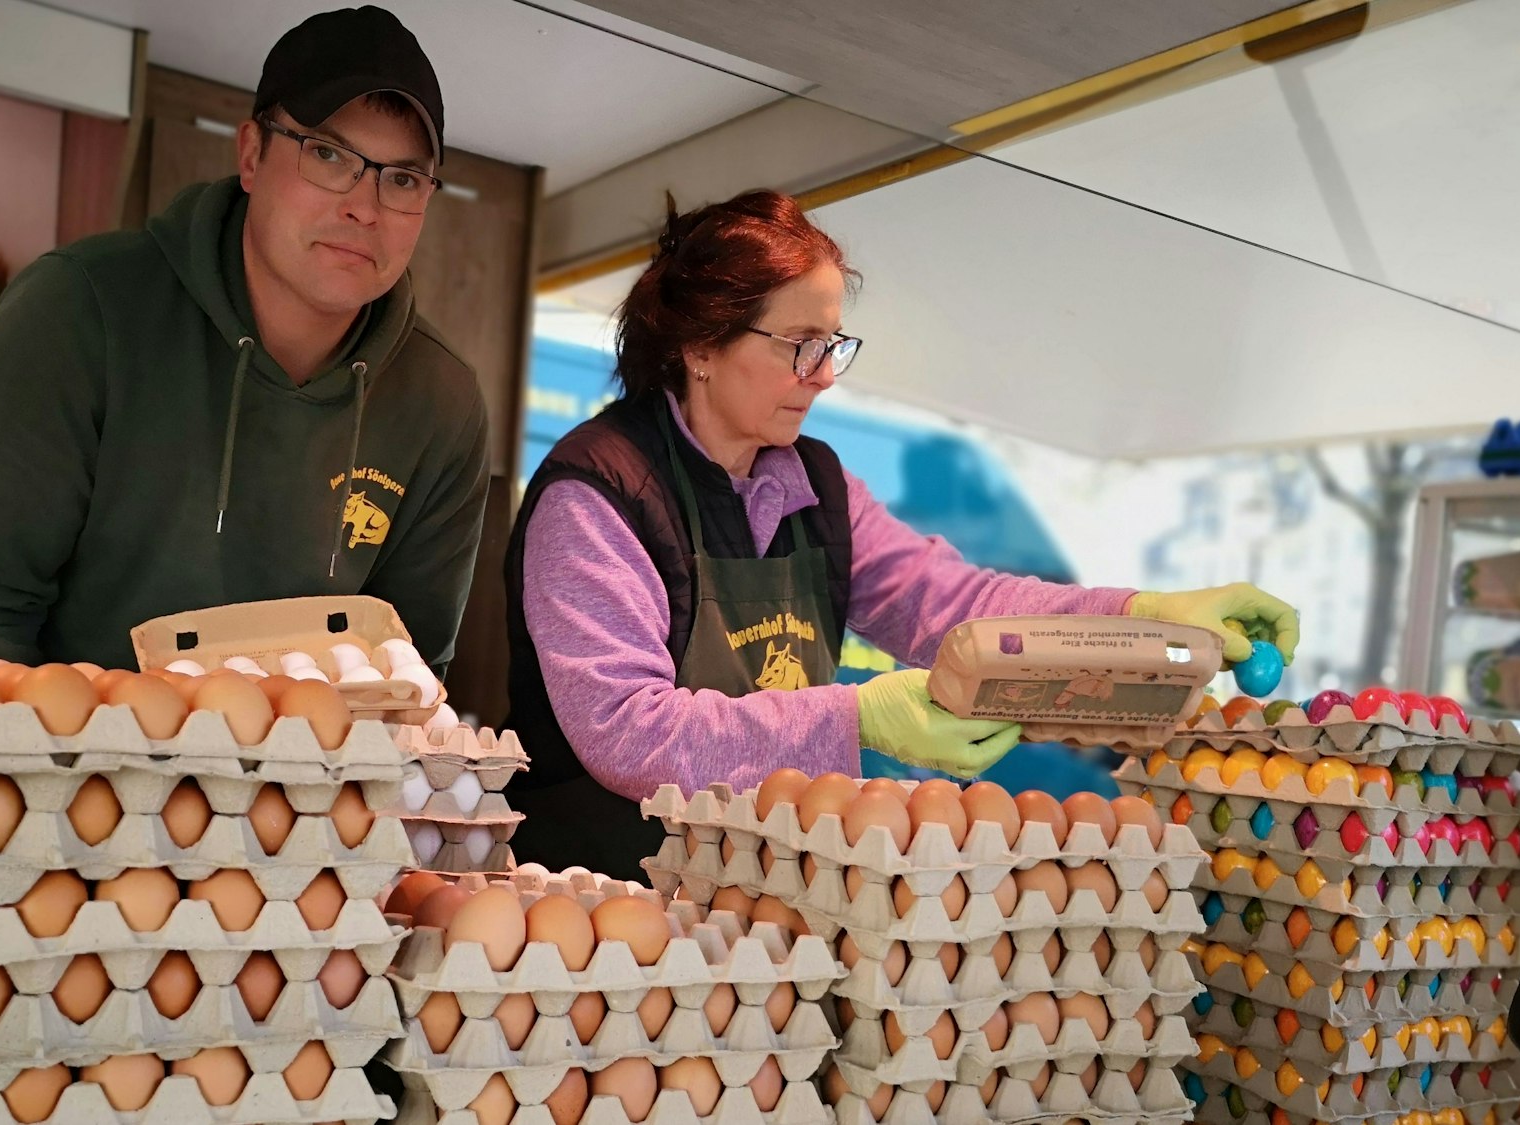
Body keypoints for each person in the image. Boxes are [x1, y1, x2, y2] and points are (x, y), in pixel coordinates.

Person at [503, 190, 1299, 877]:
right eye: (798, 347)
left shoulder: (812, 482)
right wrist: (856, 719)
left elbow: (956, 604)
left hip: (760, 898)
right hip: (609, 908)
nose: (823, 375)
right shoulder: (599, 494)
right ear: (701, 345)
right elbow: (627, 733)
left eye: (832, 345)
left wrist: (1146, 615)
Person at [0, 7, 489, 673]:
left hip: (305, 777)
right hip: (73, 762)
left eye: (404, 179)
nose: (365, 206)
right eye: (328, 154)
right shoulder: (80, 309)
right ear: (251, 154)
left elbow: (404, 669)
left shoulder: (442, 402)